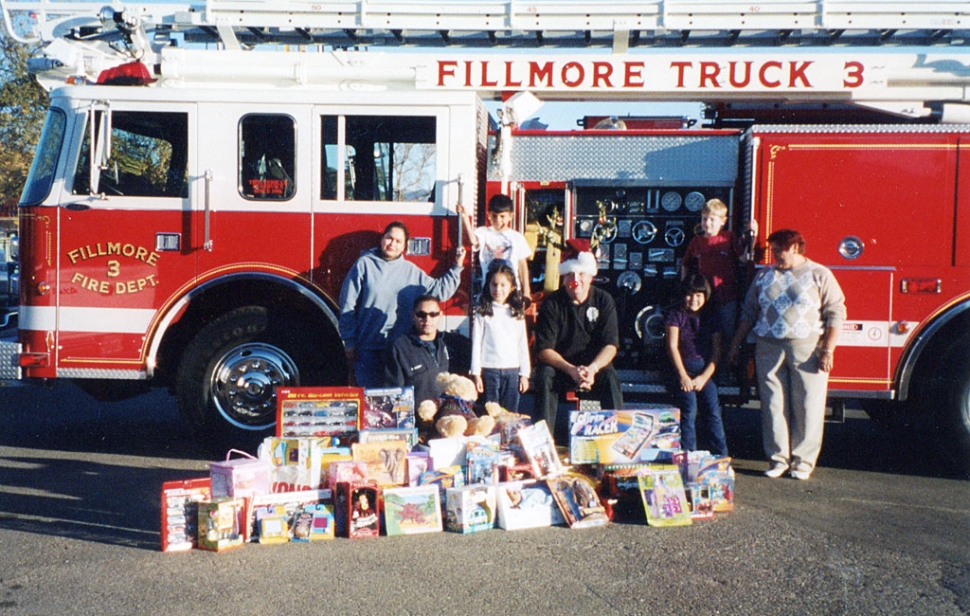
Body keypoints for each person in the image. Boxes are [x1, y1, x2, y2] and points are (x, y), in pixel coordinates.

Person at [727, 229, 846, 481]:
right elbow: (749, 312)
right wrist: (735, 344)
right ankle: (778, 458)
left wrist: (828, 349)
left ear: (793, 248)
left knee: (807, 404)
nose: (774, 255)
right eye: (773, 250)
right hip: (768, 345)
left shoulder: (819, 274)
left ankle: (803, 462)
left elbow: (836, 311)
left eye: (778, 250)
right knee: (772, 404)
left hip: (807, 347)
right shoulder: (764, 276)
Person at [338, 221, 465, 387]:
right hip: (367, 348)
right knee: (369, 403)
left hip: (399, 351)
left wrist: (457, 267)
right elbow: (347, 304)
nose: (392, 244)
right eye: (389, 238)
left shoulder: (410, 271)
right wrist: (349, 341)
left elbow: (439, 291)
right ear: (382, 239)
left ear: (404, 246)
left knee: (397, 403)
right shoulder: (364, 265)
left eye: (398, 241)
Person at [533, 239, 623, 443]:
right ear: (563, 277)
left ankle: (617, 442)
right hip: (562, 368)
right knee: (544, 375)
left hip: (593, 368)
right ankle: (543, 444)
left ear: (590, 276)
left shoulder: (604, 300)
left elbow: (611, 345)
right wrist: (571, 370)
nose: (576, 280)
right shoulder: (552, 303)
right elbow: (544, 350)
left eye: (581, 273)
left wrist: (592, 369)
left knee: (610, 378)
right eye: (570, 274)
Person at [664, 274, 728, 456]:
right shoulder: (675, 315)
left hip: (703, 372)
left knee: (712, 410)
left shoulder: (711, 317)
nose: (694, 299)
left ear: (706, 296)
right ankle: (688, 456)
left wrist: (703, 377)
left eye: (699, 295)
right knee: (689, 409)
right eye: (690, 295)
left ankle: (721, 457)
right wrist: (683, 376)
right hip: (680, 371)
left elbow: (716, 352)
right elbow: (672, 347)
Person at [681, 198, 757, 346]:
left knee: (727, 333)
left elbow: (743, 259)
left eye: (712, 219)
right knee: (704, 334)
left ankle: (725, 366)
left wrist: (752, 236)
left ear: (723, 221)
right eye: (704, 219)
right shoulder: (696, 241)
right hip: (704, 299)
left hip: (727, 297)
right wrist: (686, 287)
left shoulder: (728, 238)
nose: (707, 223)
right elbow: (685, 264)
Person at [469, 261, 531, 413]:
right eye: (494, 284)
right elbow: (476, 343)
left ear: (512, 288)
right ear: (488, 286)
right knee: (490, 413)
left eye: (503, 285)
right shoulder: (483, 312)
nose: (498, 289)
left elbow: (522, 344)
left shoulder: (516, 313)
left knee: (511, 413)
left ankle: (509, 437)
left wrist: (524, 374)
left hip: (512, 370)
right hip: (489, 370)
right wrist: (476, 373)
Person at [458, 193, 533, 298]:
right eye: (494, 216)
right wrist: (465, 218)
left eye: (502, 216)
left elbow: (522, 267)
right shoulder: (484, 232)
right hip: (490, 290)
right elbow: (473, 241)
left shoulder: (517, 237)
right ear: (488, 215)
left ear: (511, 216)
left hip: (512, 290)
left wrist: (526, 292)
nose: (498, 220)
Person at [384, 295, 450, 405]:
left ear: (440, 315)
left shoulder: (450, 342)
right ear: (413, 316)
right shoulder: (399, 347)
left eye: (433, 314)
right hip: (416, 417)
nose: (427, 319)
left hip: (444, 415)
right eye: (421, 314)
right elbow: (394, 392)